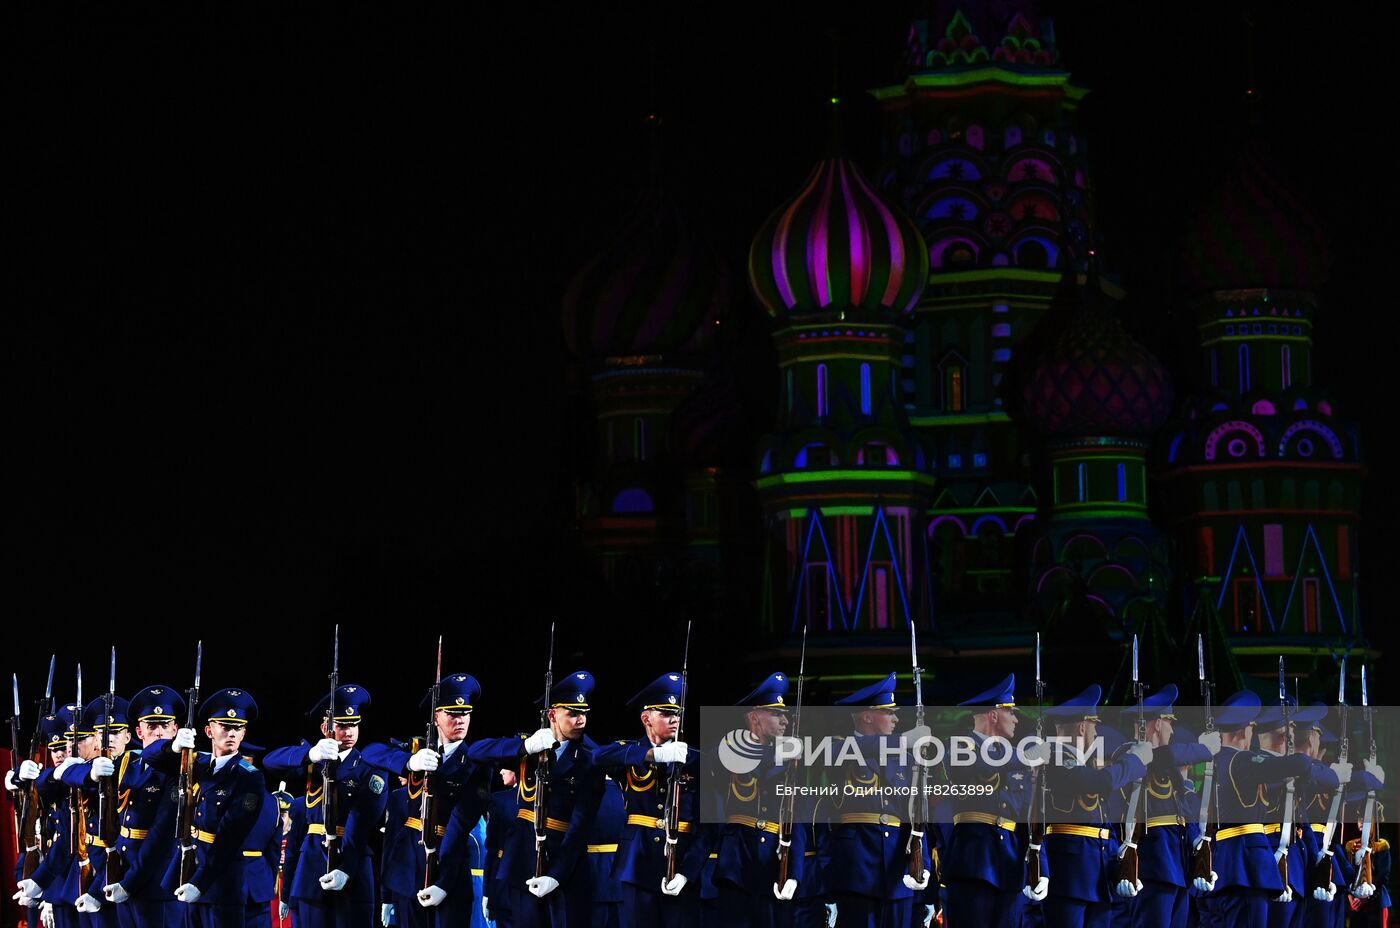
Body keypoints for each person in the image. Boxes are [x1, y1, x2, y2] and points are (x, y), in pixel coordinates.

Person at [467, 670, 605, 928]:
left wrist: (556, 875)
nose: (581, 720)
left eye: (584, 713)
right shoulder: (529, 747)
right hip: (521, 861)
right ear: (552, 715)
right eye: (573, 714)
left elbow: (580, 826)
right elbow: (477, 751)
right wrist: (525, 747)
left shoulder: (591, 757)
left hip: (566, 867)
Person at [362, 673, 492, 928]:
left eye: (465, 713)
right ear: (436, 717)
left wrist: (443, 883)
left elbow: (460, 824)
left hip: (449, 872)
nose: (460, 719)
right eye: (452, 714)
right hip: (407, 874)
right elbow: (370, 752)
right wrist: (409, 762)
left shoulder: (477, 763)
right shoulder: (421, 754)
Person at [263, 684, 389, 928]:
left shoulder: (370, 767)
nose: (349, 731)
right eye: (341, 725)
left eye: (353, 725)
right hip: (310, 870)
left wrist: (346, 868)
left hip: (352, 867)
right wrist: (310, 754)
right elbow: (270, 761)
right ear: (325, 729)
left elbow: (362, 822)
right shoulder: (314, 762)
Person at [142, 687, 269, 928]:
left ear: (243, 734)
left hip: (223, 881)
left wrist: (200, 882)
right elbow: (149, 756)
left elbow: (229, 837)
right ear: (209, 730)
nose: (232, 733)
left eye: (238, 728)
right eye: (225, 726)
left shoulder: (249, 777)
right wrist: (174, 747)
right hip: (189, 869)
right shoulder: (196, 763)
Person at [592, 672, 702, 928]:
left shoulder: (696, 760)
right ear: (646, 718)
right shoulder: (631, 752)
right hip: (637, 864)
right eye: (665, 713)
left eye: (676, 713)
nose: (674, 718)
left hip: (681, 863)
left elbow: (707, 828)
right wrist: (654, 755)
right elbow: (599, 757)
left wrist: (688, 871)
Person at [826, 672, 933, 928]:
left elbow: (915, 815)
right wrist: (903, 741)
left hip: (897, 871)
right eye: (890, 712)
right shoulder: (838, 747)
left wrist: (924, 865)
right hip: (857, 869)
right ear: (867, 716)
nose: (896, 718)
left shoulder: (905, 759)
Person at [1039, 684, 1151, 928]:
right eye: (1094, 725)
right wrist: (1135, 760)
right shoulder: (1056, 758)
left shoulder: (1083, 763)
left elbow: (1099, 823)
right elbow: (1104, 782)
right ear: (1082, 727)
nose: (1096, 731)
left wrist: (1121, 863)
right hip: (1069, 875)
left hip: (1096, 873)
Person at [708, 671, 808, 928]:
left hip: (775, 866)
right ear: (754, 717)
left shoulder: (790, 762)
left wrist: (795, 872)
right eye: (776, 714)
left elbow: (796, 821)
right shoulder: (726, 752)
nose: (785, 720)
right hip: (736, 865)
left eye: (785, 714)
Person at [942, 675, 1028, 928]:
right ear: (993, 715)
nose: (1015, 718)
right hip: (973, 862)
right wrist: (1024, 757)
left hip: (1010, 863)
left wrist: (1035, 862)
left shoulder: (1013, 758)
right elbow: (979, 763)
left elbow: (1026, 813)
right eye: (1010, 712)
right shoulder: (960, 746)